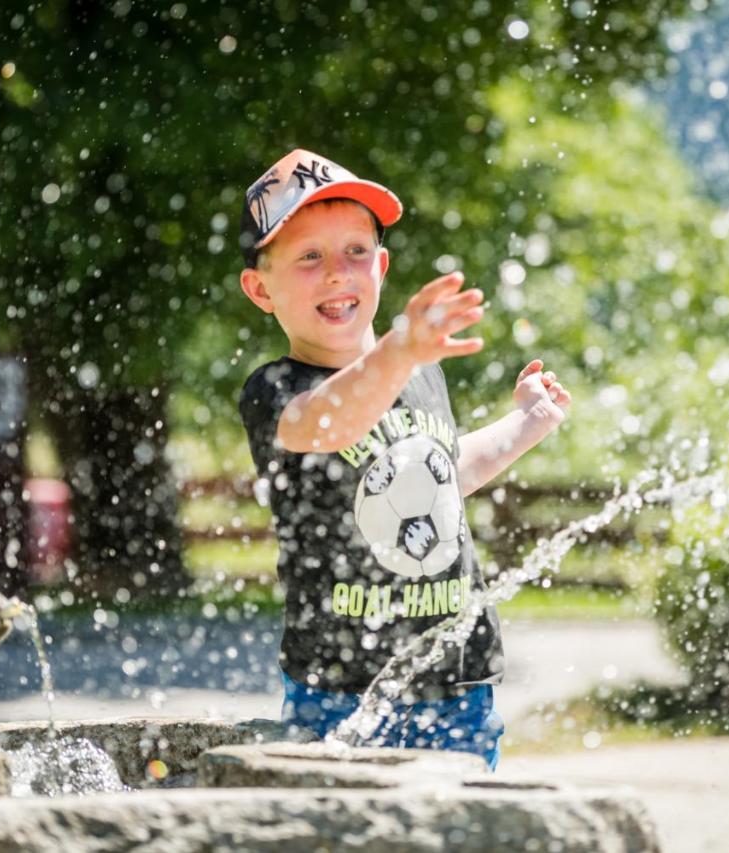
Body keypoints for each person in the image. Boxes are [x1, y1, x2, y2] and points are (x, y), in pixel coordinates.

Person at [236, 149, 572, 770]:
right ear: (262, 288)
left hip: (457, 679)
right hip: (340, 687)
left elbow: (442, 472)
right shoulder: (276, 389)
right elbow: (329, 422)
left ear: (381, 267)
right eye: (309, 256)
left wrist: (526, 423)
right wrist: (399, 351)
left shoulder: (419, 373)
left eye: (355, 252)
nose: (338, 273)